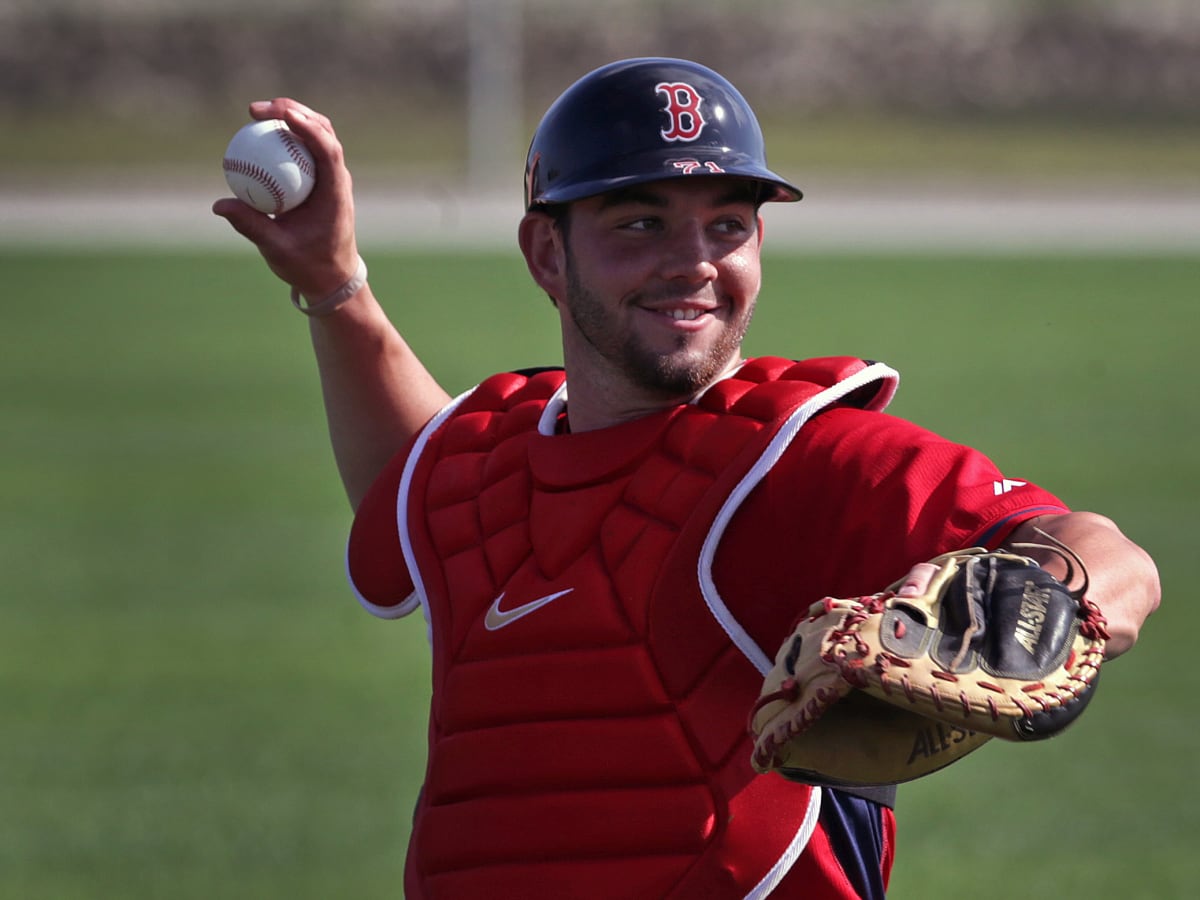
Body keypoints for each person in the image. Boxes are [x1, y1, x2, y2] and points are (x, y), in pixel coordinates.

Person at [213, 57, 1159, 900]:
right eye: (640, 223)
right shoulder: (479, 460)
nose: (694, 263)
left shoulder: (798, 458)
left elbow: (1106, 553)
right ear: (548, 253)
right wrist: (335, 285)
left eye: (727, 225)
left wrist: (1049, 596)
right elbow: (414, 491)